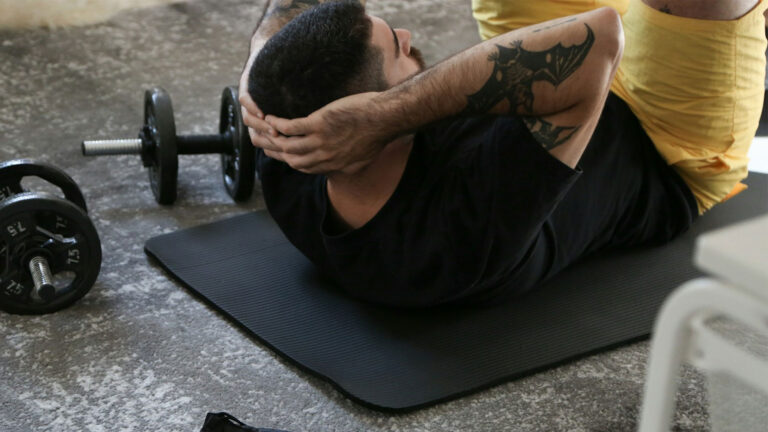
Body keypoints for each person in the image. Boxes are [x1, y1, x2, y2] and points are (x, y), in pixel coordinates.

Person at [238, 0, 767, 307]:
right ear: (375, 122)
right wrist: (386, 114)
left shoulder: (293, 152)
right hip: (659, 142)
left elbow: (294, 12)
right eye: (395, 47)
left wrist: (259, 66)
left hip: (535, 76)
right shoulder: (456, 236)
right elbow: (599, 38)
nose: (406, 34)